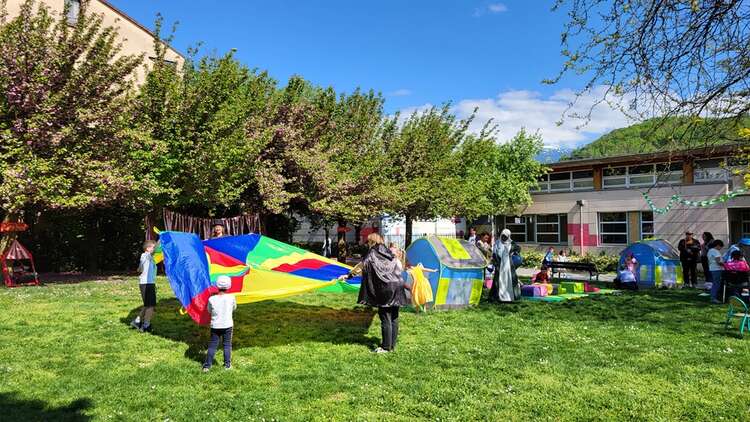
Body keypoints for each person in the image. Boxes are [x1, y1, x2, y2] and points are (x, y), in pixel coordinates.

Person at [343, 233, 407, 353]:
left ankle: (385, 347)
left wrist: (349, 275)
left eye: (368, 241)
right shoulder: (388, 251)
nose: (367, 244)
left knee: (385, 316)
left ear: (371, 242)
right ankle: (391, 345)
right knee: (394, 316)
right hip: (398, 285)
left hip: (386, 287)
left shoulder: (372, 252)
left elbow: (362, 265)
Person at [202, 276, 237, 372]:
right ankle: (227, 365)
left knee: (212, 345)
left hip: (215, 326)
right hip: (228, 325)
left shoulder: (211, 299)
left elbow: (209, 310)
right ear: (229, 286)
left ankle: (207, 366)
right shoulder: (231, 298)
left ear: (217, 286)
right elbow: (234, 308)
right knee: (227, 345)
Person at [131, 240, 157, 332]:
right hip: (147, 284)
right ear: (148, 248)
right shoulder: (146, 255)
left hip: (148, 283)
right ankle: (146, 325)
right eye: (153, 247)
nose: (155, 249)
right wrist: (161, 238)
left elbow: (140, 269)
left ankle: (137, 321)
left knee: (147, 305)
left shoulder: (147, 257)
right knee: (151, 306)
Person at [489, 229, 521, 303]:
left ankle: (510, 297)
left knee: (509, 280)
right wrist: (495, 262)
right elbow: (494, 253)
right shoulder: (497, 243)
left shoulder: (511, 243)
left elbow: (518, 249)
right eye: (503, 236)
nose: (504, 238)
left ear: (508, 236)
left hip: (508, 266)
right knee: (498, 281)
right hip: (499, 265)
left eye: (505, 236)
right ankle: (497, 297)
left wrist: (513, 252)